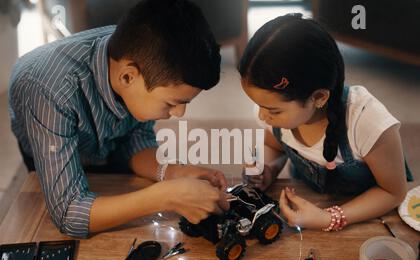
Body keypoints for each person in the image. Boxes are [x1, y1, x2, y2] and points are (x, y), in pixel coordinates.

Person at [8, 0, 229, 238]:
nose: (179, 114)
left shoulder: (142, 57)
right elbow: (69, 213)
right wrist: (166, 196)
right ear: (127, 77)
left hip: (107, 146)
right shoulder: (48, 90)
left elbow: (134, 140)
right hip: (49, 147)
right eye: (172, 103)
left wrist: (173, 172)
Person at [239, 14, 413, 231]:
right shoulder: (275, 109)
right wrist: (267, 170)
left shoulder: (367, 121)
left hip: (364, 213)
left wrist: (329, 218)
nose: (263, 116)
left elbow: (393, 192)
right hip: (310, 197)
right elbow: (274, 145)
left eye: (273, 110)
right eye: (259, 105)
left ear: (319, 97)